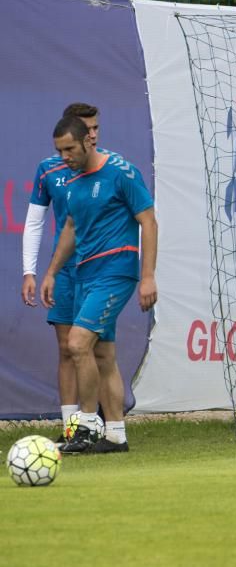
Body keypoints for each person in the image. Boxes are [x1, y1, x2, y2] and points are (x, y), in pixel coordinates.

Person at [41, 115, 158, 452]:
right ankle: (116, 435)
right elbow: (71, 229)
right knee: (103, 354)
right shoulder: (73, 182)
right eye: (59, 151)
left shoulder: (121, 171)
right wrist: (51, 272)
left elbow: (148, 222)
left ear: (88, 141)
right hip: (85, 275)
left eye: (69, 149)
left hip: (116, 272)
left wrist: (147, 276)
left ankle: (88, 426)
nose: (64, 157)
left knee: (77, 343)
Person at [21, 103, 108, 440]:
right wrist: (30, 271)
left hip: (101, 269)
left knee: (98, 349)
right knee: (66, 348)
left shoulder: (110, 167)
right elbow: (34, 220)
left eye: (96, 129)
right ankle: (73, 428)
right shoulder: (49, 170)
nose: (93, 135)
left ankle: (102, 423)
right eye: (87, 129)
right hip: (66, 271)